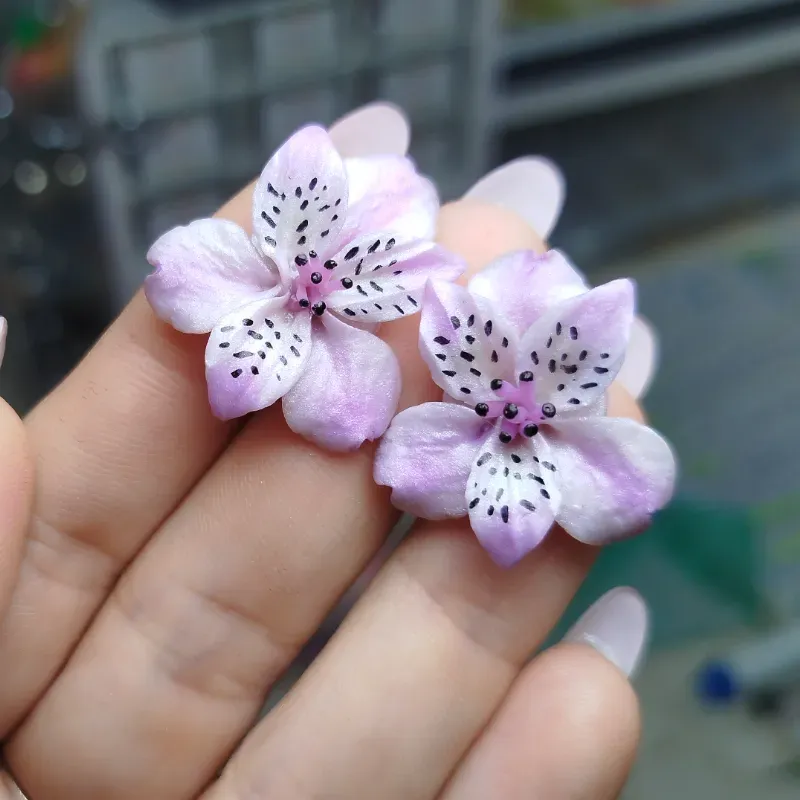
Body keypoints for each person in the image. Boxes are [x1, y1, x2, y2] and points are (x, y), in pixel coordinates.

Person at [0, 106, 646, 799]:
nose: (310, 285)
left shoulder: (404, 379)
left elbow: (403, 431)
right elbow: (197, 301)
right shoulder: (269, 301)